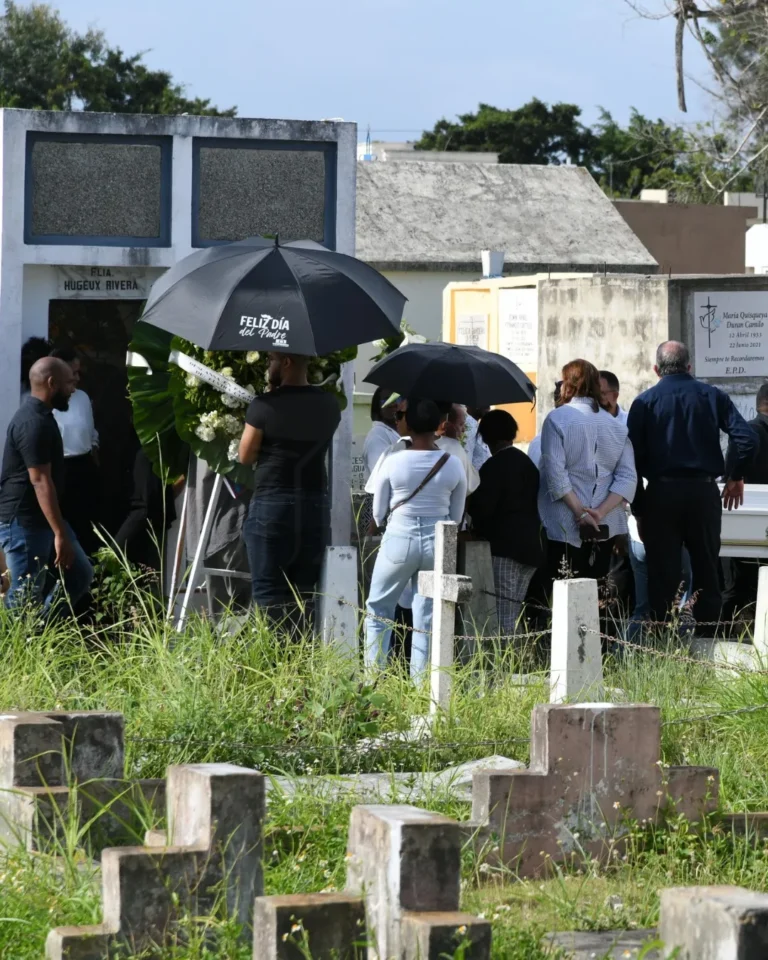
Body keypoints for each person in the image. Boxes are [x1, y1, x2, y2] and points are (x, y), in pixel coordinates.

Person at [627, 340, 757, 627]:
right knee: (707, 567)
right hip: (703, 492)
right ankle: (706, 634)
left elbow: (631, 461)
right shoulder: (712, 396)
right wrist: (736, 476)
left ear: (655, 369)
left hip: (661, 494)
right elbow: (747, 439)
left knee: (663, 571)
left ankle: (663, 636)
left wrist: (638, 508)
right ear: (689, 366)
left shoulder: (644, 403)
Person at [365, 398, 467, 681]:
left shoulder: (392, 460)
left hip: (399, 537)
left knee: (378, 609)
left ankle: (373, 681)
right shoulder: (453, 463)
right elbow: (456, 517)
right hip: (436, 542)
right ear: (439, 426)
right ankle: (421, 689)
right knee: (425, 619)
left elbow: (378, 512)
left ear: (407, 423)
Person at [239, 352, 341, 624]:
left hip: (273, 503)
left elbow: (245, 456)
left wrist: (271, 397)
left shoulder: (264, 406)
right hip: (314, 504)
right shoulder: (330, 405)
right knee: (306, 595)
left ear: (286, 362)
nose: (268, 365)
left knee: (268, 594)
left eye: (271, 359)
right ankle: (301, 660)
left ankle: (272, 663)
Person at [0, 357, 93, 614]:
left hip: (44, 518)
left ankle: (40, 635)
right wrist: (60, 534)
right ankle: (15, 649)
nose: (73, 389)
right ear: (52, 383)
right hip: (24, 521)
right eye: (68, 383)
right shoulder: (33, 423)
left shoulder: (44, 417)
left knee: (80, 575)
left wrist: (58, 528)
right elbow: (40, 481)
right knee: (24, 597)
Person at [539, 359, 637, 583]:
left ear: (567, 384)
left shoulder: (556, 418)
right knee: (596, 595)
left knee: (562, 594)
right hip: (605, 524)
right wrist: (599, 513)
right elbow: (627, 478)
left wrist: (581, 514)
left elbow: (556, 474)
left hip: (562, 521)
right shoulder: (617, 426)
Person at [467, 410, 543, 637]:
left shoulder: (493, 466)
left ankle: (507, 666)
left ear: (488, 438)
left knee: (503, 613)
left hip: (505, 549)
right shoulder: (527, 463)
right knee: (515, 608)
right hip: (532, 547)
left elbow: (483, 510)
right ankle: (518, 660)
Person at [721, 382, 768, 620]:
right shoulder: (750, 434)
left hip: (747, 521)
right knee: (737, 589)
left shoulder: (750, 433)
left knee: (739, 589)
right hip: (745, 520)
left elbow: (730, 474)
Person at [49, 346, 100, 555]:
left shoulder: (82, 397)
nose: (77, 378)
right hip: (59, 468)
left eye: (79, 372)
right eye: (73, 372)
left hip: (84, 466)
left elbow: (90, 432)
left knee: (86, 527)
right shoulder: (47, 401)